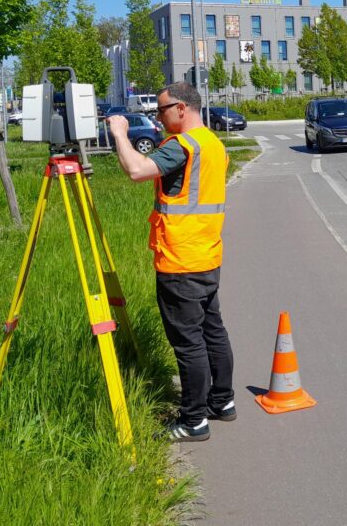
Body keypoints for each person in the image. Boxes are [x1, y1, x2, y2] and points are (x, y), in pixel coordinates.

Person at [107, 82, 234, 442]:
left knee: (189, 343)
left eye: (161, 111)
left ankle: (194, 421)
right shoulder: (213, 143)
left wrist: (120, 133)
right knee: (213, 332)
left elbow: (136, 170)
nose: (157, 118)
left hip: (179, 260)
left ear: (181, 109)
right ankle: (222, 402)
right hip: (207, 254)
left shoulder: (182, 147)